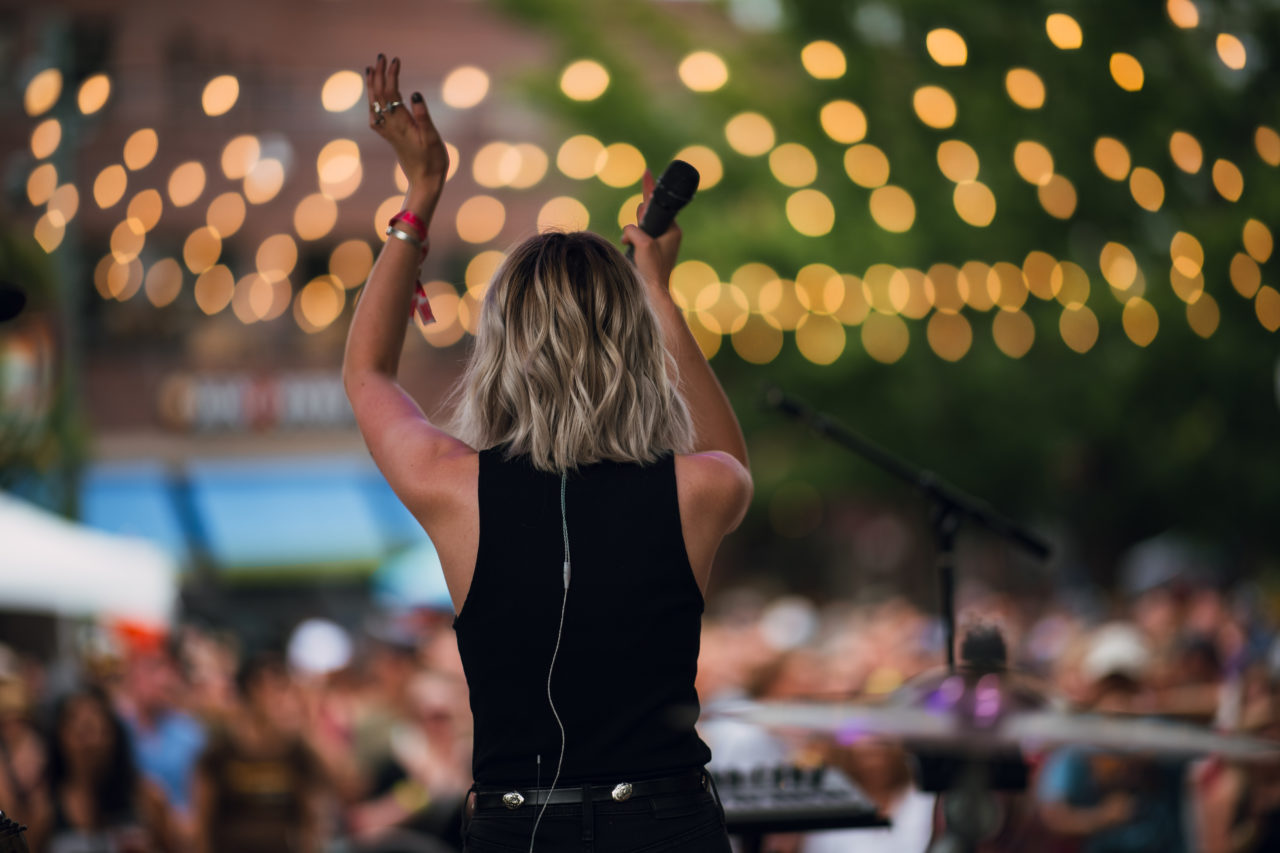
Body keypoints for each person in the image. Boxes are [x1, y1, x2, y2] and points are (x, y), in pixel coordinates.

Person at [345, 55, 752, 852]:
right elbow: (724, 455)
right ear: (632, 348)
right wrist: (658, 290)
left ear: (503, 349)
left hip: (517, 823)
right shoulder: (698, 490)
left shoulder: (454, 489)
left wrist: (419, 197)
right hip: (663, 821)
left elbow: (368, 373)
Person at [193, 653, 326, 853]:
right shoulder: (221, 751)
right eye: (269, 688)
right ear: (249, 691)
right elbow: (203, 824)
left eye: (282, 688)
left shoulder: (296, 751)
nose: (278, 697)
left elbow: (310, 821)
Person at [38, 685, 171, 853]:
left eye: (95, 729)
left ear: (114, 735)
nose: (89, 743)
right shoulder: (44, 810)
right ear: (60, 737)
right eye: (80, 732)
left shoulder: (147, 798)